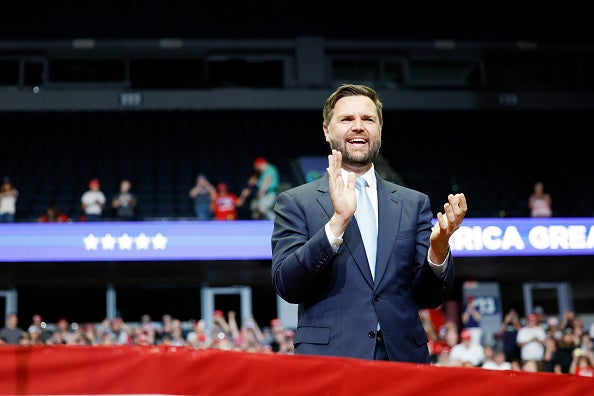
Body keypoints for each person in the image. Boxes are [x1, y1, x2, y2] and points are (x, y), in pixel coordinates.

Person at [270, 84, 467, 363]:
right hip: (330, 362)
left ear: (380, 130)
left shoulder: (414, 204)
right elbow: (287, 285)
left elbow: (430, 296)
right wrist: (337, 223)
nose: (358, 126)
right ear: (327, 131)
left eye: (368, 119)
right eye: (347, 119)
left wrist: (438, 250)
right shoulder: (295, 202)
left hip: (403, 361)